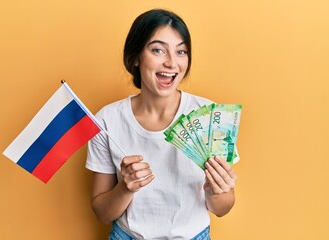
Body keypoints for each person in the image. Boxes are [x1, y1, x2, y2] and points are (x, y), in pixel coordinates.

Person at [86, 9, 238, 239]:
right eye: (158, 50)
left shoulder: (209, 117)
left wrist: (216, 190)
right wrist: (125, 188)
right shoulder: (107, 120)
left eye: (181, 51)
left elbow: (223, 208)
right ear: (136, 57)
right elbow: (102, 214)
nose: (171, 62)